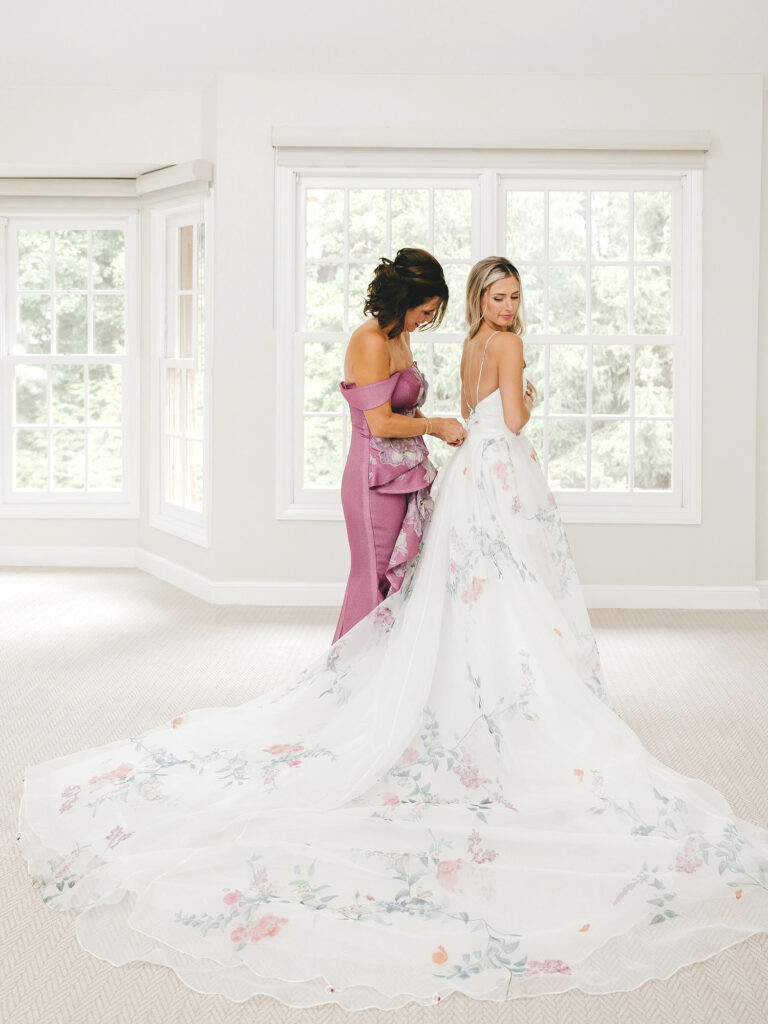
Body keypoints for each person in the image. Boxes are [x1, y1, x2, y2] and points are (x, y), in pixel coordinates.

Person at [17, 258, 768, 1011]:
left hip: (421, 477)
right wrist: (482, 413)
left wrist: (450, 425)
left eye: (498, 301)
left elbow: (459, 413)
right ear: (434, 300)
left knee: (423, 604)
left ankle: (395, 693)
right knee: (380, 596)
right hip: (381, 477)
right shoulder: (396, 342)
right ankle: (360, 702)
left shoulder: (435, 339)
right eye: (444, 307)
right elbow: (420, 420)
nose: (439, 322)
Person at [333, 248, 466, 641]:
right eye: (424, 311)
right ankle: (349, 680)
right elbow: (379, 421)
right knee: (373, 575)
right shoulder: (371, 341)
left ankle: (386, 679)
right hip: (373, 479)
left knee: (402, 579)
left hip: (402, 474)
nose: (426, 321)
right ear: (405, 300)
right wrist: (435, 425)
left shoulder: (400, 335)